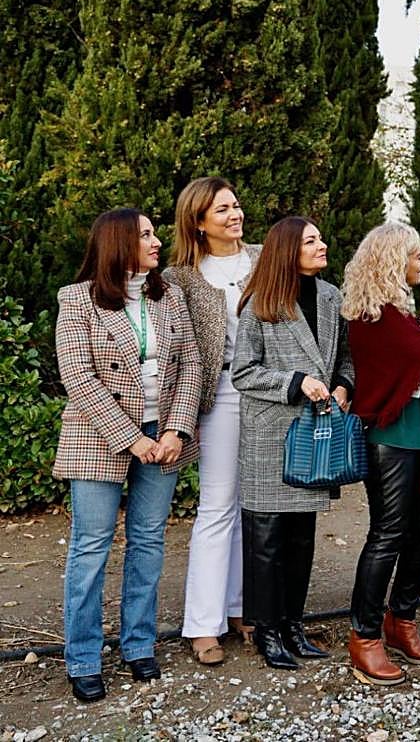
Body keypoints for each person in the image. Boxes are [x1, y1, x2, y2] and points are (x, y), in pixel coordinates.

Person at [53, 208, 202, 703]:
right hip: (99, 437)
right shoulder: (76, 299)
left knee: (148, 542)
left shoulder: (170, 295)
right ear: (118, 243)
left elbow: (191, 367)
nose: (156, 241)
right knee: (91, 547)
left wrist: (177, 429)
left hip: (165, 434)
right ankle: (83, 658)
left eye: (154, 232)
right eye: (145, 235)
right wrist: (132, 439)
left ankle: (139, 645)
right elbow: (79, 379)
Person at [342, 223, 420, 685]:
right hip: (391, 440)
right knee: (389, 533)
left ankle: (402, 619)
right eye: (416, 255)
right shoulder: (373, 315)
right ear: (396, 260)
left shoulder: (399, 314)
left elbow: (417, 345)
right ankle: (365, 634)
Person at [231, 217, 354, 670]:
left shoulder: (330, 296)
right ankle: (266, 631)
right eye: (310, 240)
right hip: (270, 432)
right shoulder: (260, 304)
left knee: (302, 537)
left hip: (315, 435)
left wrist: (343, 384)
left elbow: (345, 356)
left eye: (321, 237)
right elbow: (243, 371)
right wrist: (296, 381)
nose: (322, 245)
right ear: (288, 250)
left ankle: (293, 625)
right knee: (266, 538)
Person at [165, 177, 260, 666]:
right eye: (221, 210)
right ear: (198, 223)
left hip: (267, 393)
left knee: (255, 503)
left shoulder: (265, 260)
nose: (234, 215)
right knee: (218, 502)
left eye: (236, 205)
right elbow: (177, 346)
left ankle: (244, 608)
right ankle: (203, 624)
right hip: (220, 393)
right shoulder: (180, 276)